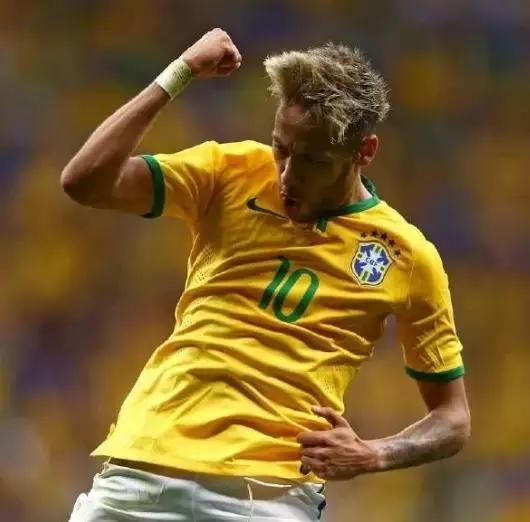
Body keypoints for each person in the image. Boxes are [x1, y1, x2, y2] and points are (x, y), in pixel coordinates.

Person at [61, 28, 471, 522]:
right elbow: (85, 182)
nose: (287, 175)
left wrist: (374, 454)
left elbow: (452, 419)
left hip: (267, 497)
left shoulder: (407, 255)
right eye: (281, 148)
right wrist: (180, 72)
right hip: (142, 470)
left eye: (314, 161)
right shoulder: (229, 171)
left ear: (364, 152)